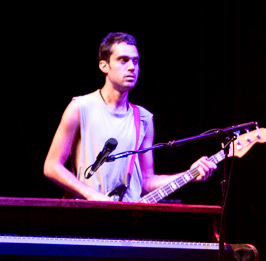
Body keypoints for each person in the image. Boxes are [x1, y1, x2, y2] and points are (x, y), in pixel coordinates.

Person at [44, 32, 215, 202]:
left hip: (127, 221)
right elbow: (52, 166)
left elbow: (146, 181)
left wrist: (189, 175)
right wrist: (91, 195)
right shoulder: (80, 107)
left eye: (135, 61)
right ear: (104, 66)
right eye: (123, 60)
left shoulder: (143, 118)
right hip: (87, 218)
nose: (132, 67)